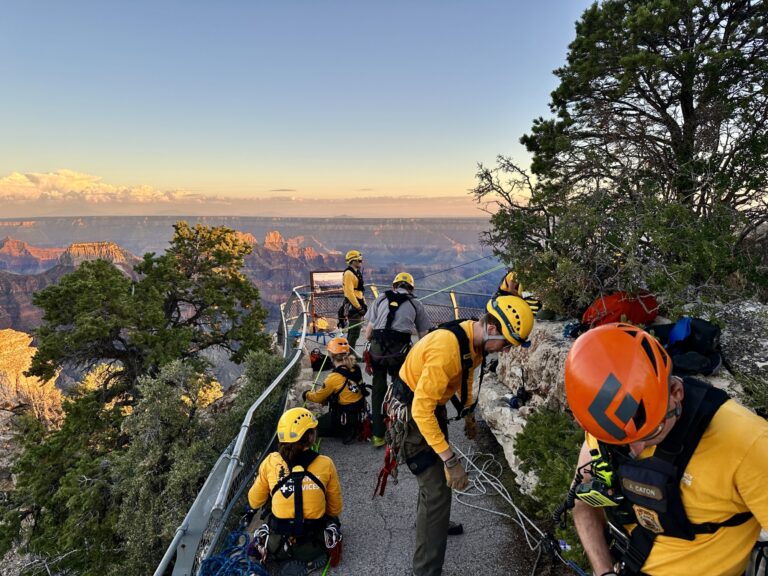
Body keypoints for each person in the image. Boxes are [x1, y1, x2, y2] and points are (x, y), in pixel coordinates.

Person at [564, 323, 768, 576]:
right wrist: (603, 570)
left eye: (649, 433)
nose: (635, 449)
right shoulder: (609, 427)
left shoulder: (748, 444)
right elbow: (582, 502)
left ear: (676, 392)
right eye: (620, 443)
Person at [390, 295, 535, 576]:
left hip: (431, 408)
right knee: (437, 489)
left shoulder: (472, 338)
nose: (505, 350)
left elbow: (467, 371)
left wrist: (468, 411)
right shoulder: (447, 349)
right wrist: (451, 460)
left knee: (436, 487)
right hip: (413, 416)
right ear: (493, 328)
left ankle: (435, 523)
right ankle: (426, 570)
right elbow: (421, 412)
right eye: (506, 343)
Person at [247, 407, 343, 573]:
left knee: (271, 504)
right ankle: (308, 564)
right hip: (312, 545)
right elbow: (335, 508)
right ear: (310, 436)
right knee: (333, 520)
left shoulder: (271, 462)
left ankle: (275, 558)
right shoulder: (325, 463)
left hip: (277, 545)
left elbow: (254, 501)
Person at [364, 271, 431, 448]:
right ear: (411, 288)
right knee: (399, 388)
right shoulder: (416, 304)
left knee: (378, 388)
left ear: (394, 286)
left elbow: (368, 332)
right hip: (399, 353)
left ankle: (378, 435)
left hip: (377, 351)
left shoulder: (380, 299)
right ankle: (398, 431)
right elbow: (423, 337)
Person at [303, 337, 367, 443]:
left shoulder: (333, 378)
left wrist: (306, 394)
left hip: (342, 415)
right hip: (358, 412)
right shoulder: (355, 368)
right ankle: (353, 427)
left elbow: (318, 397)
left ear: (331, 355)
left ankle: (344, 429)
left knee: (310, 429)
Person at [341, 250, 366, 351]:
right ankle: (350, 354)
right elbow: (349, 293)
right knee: (354, 331)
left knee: (355, 330)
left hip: (358, 302)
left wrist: (363, 303)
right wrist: (358, 307)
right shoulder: (348, 274)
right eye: (359, 260)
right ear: (352, 261)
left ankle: (350, 352)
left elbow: (359, 291)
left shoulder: (357, 272)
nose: (361, 261)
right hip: (353, 305)